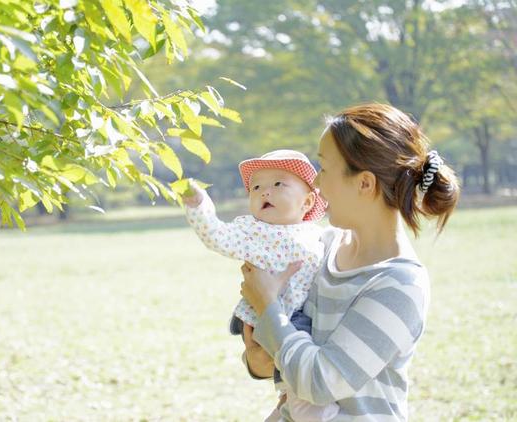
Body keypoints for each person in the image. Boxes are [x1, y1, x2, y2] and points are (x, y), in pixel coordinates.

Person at [240, 103, 460, 421]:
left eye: (325, 168)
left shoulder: (399, 285)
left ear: (364, 183)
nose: (315, 182)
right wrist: (258, 355)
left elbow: (320, 381)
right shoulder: (321, 247)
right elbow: (268, 359)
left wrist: (267, 306)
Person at [182, 150, 339, 421]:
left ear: (308, 201)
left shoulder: (320, 234)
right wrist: (198, 205)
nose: (265, 192)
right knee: (298, 379)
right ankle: (293, 401)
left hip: (303, 315)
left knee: (304, 370)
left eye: (278, 184)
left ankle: (290, 402)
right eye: (256, 187)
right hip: (264, 317)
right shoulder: (252, 230)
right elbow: (216, 235)